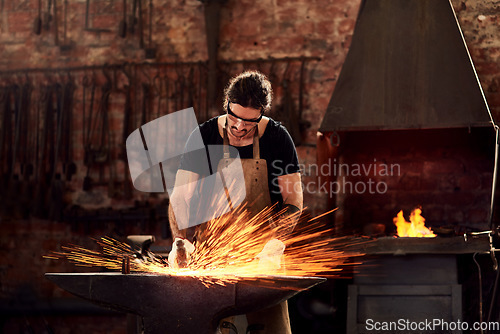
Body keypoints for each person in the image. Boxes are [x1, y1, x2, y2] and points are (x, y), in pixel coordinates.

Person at [168, 70, 303, 334]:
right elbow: (180, 197)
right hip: (211, 258)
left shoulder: (277, 138)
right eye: (234, 117)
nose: (240, 126)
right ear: (226, 104)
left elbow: (293, 198)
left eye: (249, 122)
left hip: (263, 260)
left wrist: (275, 245)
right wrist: (180, 241)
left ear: (261, 114)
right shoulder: (204, 136)